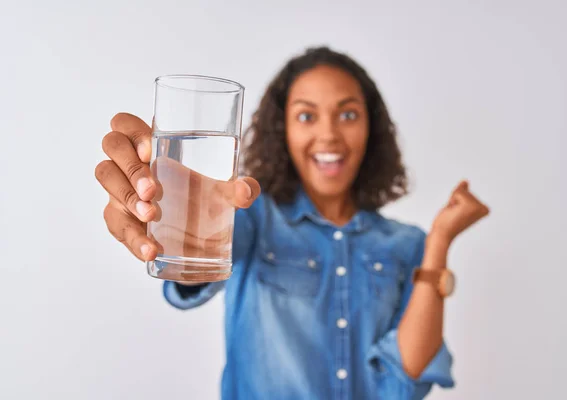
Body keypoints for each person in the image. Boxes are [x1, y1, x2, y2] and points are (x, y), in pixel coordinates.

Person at [95, 47, 489, 399]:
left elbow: (405, 382)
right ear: (283, 129)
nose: (329, 134)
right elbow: (193, 262)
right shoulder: (254, 218)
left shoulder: (407, 244)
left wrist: (439, 240)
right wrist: (157, 202)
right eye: (306, 115)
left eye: (348, 114)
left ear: (372, 128)